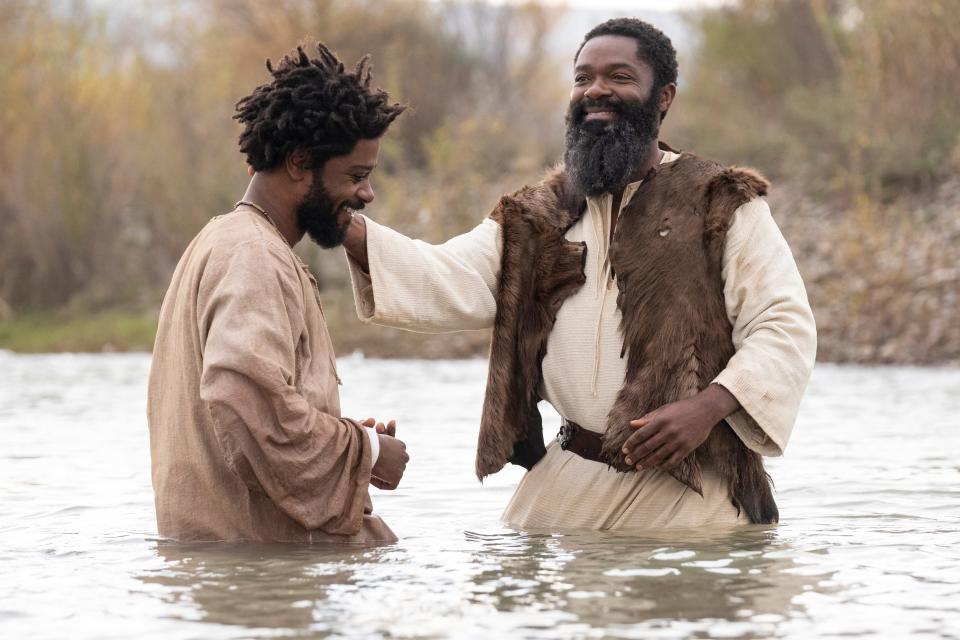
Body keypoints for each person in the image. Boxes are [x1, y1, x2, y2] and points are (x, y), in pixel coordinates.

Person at [343, 18, 816, 530]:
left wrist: (705, 409)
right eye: (583, 77)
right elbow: (448, 276)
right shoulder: (538, 214)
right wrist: (336, 221)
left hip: (688, 491)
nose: (596, 91)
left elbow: (783, 326)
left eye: (619, 76)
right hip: (564, 480)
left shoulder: (720, 203)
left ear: (664, 96)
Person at [147, 43, 409, 544]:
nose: (366, 195)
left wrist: (342, 437)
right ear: (299, 163)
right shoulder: (253, 255)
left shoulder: (227, 242)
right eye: (356, 176)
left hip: (236, 588)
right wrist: (366, 453)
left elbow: (248, 405)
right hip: (264, 593)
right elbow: (242, 399)